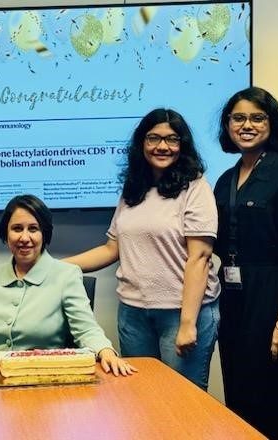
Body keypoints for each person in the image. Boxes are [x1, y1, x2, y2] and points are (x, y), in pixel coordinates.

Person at [64, 109, 218, 387]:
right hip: (133, 314)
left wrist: (187, 323)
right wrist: (55, 267)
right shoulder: (133, 189)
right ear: (142, 143)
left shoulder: (195, 187)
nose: (162, 146)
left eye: (172, 139)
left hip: (180, 313)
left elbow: (200, 257)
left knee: (181, 400)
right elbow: (112, 249)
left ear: (182, 145)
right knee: (142, 397)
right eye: (153, 138)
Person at [213, 87, 278, 439]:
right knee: (239, 397)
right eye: (239, 118)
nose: (247, 125)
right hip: (234, 298)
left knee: (276, 400)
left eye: (257, 118)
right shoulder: (226, 179)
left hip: (275, 296)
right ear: (228, 125)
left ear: (273, 124)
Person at [0, 194, 135, 376]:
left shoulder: (66, 275)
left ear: (44, 234)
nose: (24, 237)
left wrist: (105, 351)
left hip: (45, 378)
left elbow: (86, 329)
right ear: (6, 233)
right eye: (17, 229)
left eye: (33, 229)